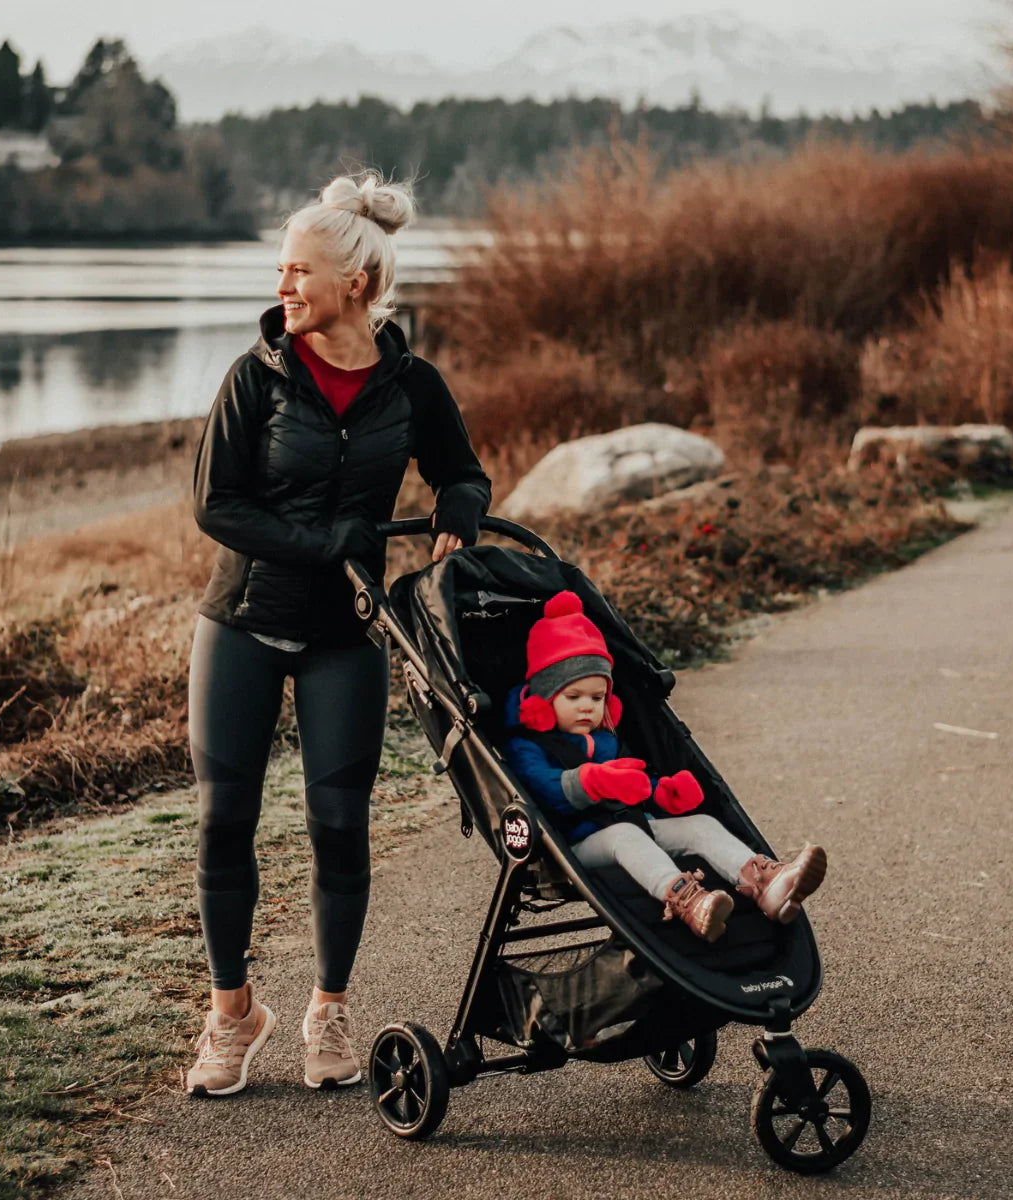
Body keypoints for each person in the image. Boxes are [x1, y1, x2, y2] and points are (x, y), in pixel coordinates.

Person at [185, 172, 491, 1097]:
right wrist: (324, 540)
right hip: (242, 621)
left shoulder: (411, 384)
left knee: (338, 823)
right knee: (224, 819)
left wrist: (460, 513)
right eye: (281, 271)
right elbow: (215, 505)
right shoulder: (258, 374)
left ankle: (327, 1008)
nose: (284, 287)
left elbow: (463, 473)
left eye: (299, 272)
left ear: (355, 284)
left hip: (347, 634)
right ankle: (232, 1014)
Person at [504, 591, 826, 943]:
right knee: (624, 837)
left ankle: (766, 884)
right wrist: (593, 782)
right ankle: (685, 899)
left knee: (700, 824)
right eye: (573, 697)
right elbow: (541, 789)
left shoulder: (608, 740)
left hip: (635, 824)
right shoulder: (527, 745)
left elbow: (635, 781)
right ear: (543, 699)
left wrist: (661, 793)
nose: (587, 708)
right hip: (574, 844)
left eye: (597, 698)